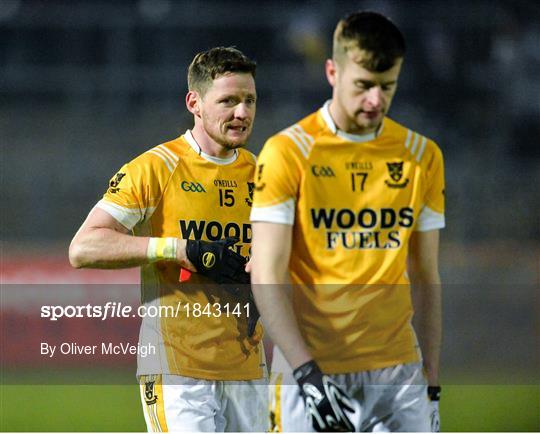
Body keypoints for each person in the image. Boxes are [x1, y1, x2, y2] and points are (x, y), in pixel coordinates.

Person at [250, 11, 444, 432]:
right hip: (312, 368)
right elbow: (266, 273)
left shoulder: (421, 156)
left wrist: (431, 383)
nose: (375, 100)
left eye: (387, 86)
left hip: (397, 373)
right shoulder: (287, 152)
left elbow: (426, 275)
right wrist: (306, 375)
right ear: (332, 71)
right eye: (363, 85)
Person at [69, 46, 267, 432]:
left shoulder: (263, 173)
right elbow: (84, 247)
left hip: (248, 366)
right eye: (228, 101)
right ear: (194, 102)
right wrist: (179, 249)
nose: (242, 113)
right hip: (178, 372)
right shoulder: (155, 168)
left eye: (249, 100)